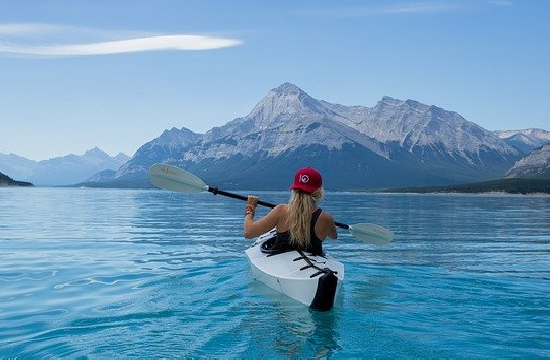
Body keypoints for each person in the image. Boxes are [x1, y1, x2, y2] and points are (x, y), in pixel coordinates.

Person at [243, 167, 337, 256]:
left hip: (280, 263)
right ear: (319, 191)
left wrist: (250, 209)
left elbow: (248, 233)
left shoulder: (281, 210)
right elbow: (333, 236)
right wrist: (331, 224)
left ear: (294, 189)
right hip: (315, 263)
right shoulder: (326, 218)